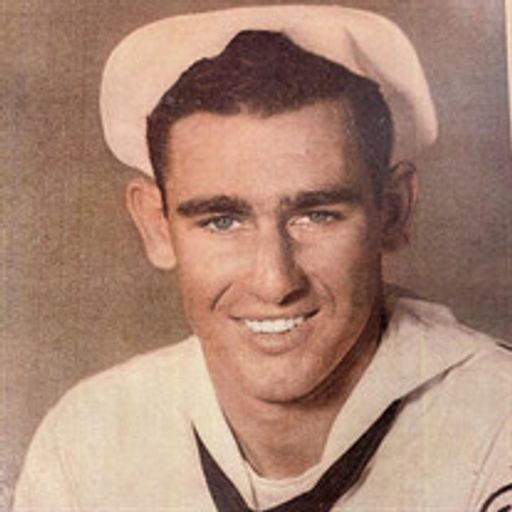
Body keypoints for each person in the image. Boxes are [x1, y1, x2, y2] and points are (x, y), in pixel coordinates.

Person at [13, 5, 512, 511]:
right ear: (156, 226)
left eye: (317, 215)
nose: (275, 282)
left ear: (394, 210)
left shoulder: (495, 420)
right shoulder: (88, 441)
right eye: (222, 221)